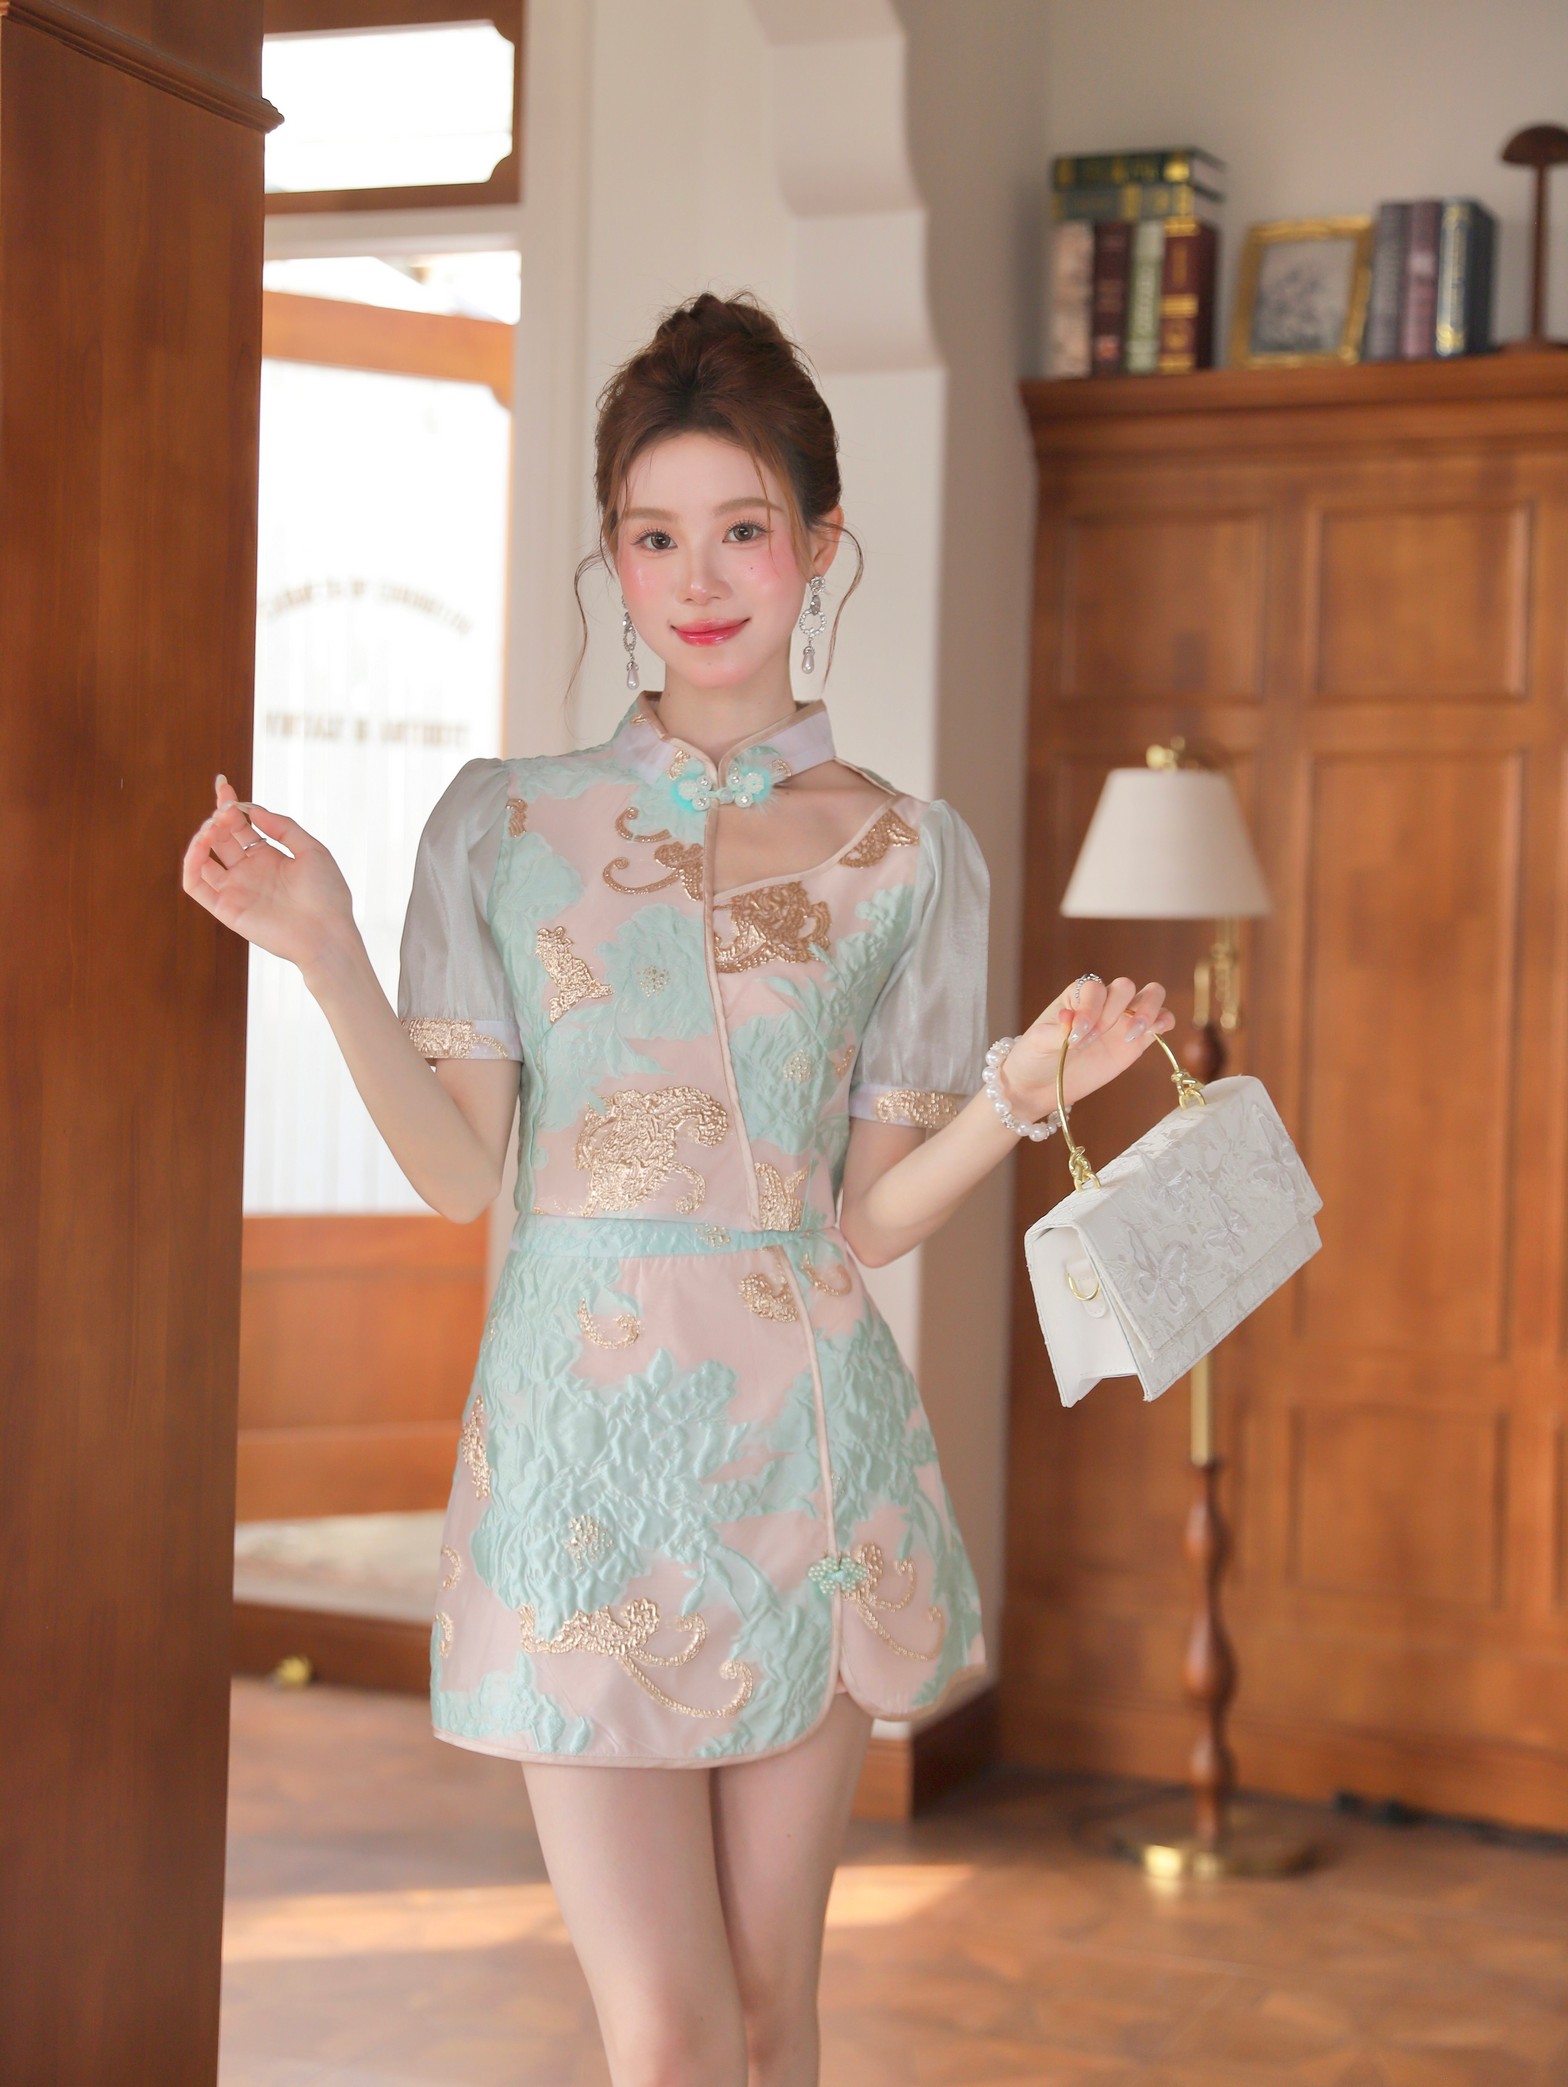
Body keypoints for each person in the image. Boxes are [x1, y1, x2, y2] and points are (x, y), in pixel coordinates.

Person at [183, 291, 1174, 2087]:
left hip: (811, 1452)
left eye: (742, 529)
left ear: (820, 542)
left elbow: (869, 1220)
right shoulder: (502, 824)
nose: (698, 580)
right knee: (663, 2031)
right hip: (583, 1461)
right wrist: (323, 947)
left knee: (772, 2016)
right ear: (612, 553)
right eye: (654, 536)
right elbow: (457, 1174)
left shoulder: (903, 852)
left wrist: (1023, 1096)